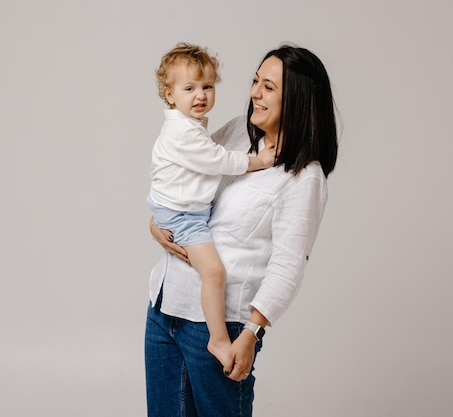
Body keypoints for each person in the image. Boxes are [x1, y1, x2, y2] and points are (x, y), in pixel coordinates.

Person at [145, 43, 339, 417]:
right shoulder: (236, 132)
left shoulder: (303, 177)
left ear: (296, 99)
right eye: (255, 81)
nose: (254, 93)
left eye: (268, 86)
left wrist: (252, 332)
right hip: (165, 309)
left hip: (219, 328)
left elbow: (288, 266)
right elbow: (180, 177)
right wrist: (156, 224)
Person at [147, 42, 276, 370]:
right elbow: (218, 159)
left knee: (212, 272)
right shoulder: (183, 132)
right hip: (184, 216)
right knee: (214, 273)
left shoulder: (191, 126)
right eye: (189, 88)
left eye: (207, 86)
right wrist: (258, 160)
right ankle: (218, 338)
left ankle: (217, 335)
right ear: (170, 95)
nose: (200, 95)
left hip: (178, 209)